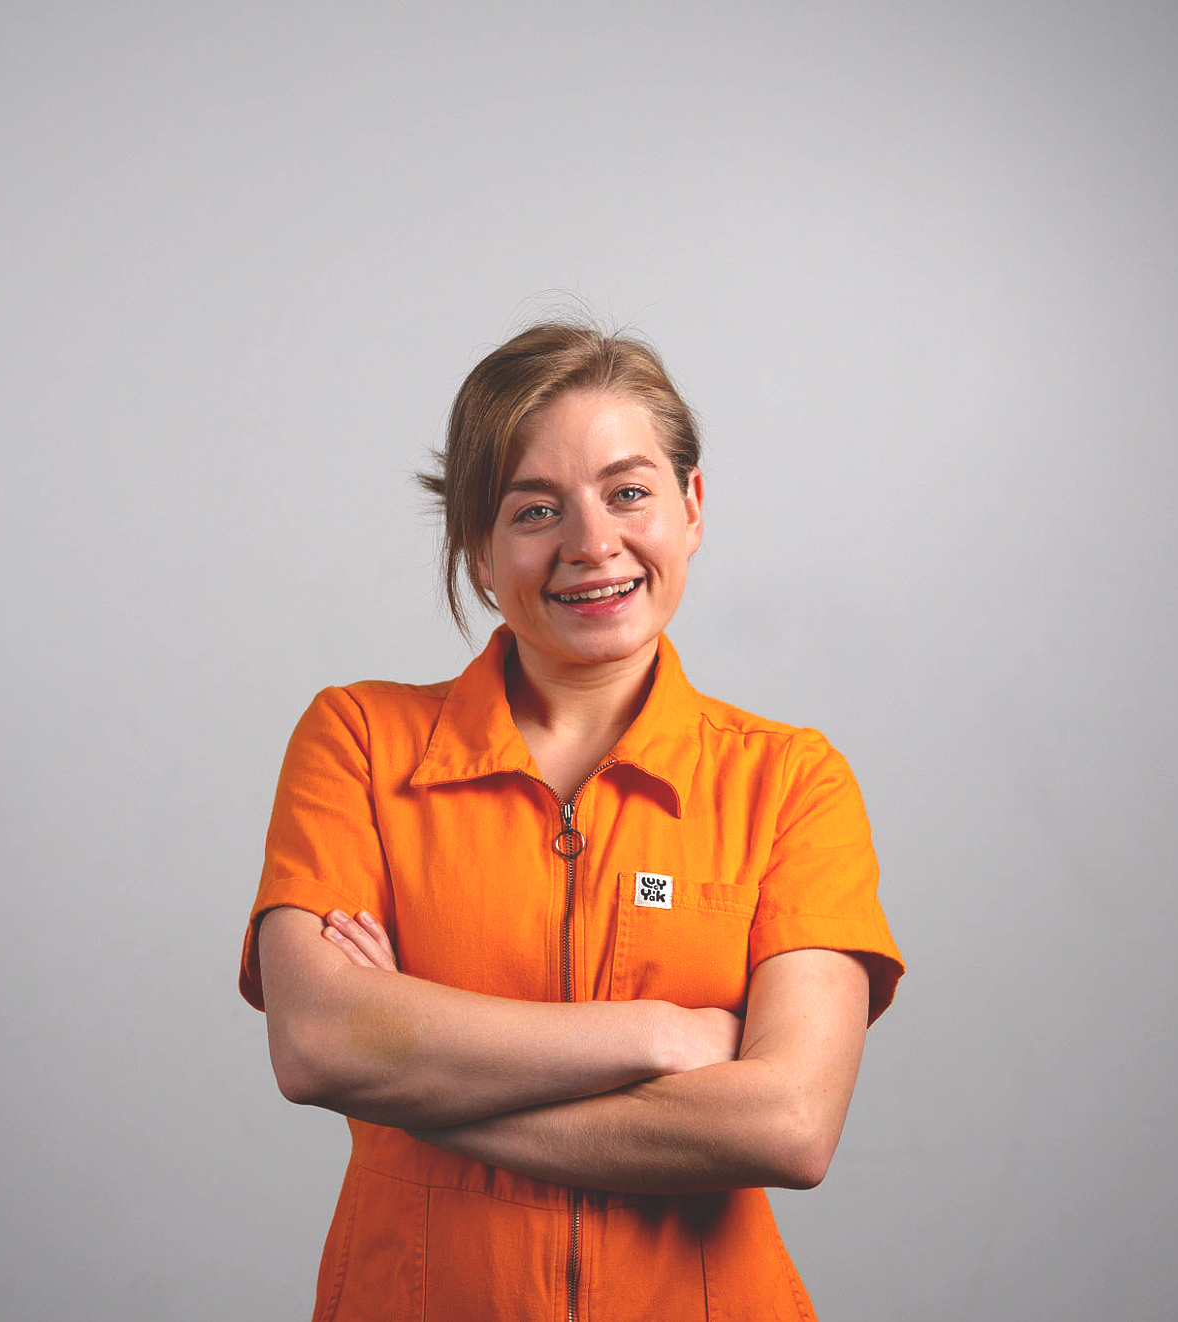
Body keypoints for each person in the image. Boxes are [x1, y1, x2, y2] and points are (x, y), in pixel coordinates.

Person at [238, 320, 902, 1320]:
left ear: (692, 507)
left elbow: (789, 1122)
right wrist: (658, 1033)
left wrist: (417, 1084)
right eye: (534, 507)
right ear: (477, 550)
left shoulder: (792, 780)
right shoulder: (358, 740)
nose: (593, 544)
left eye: (628, 491)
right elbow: (317, 1045)